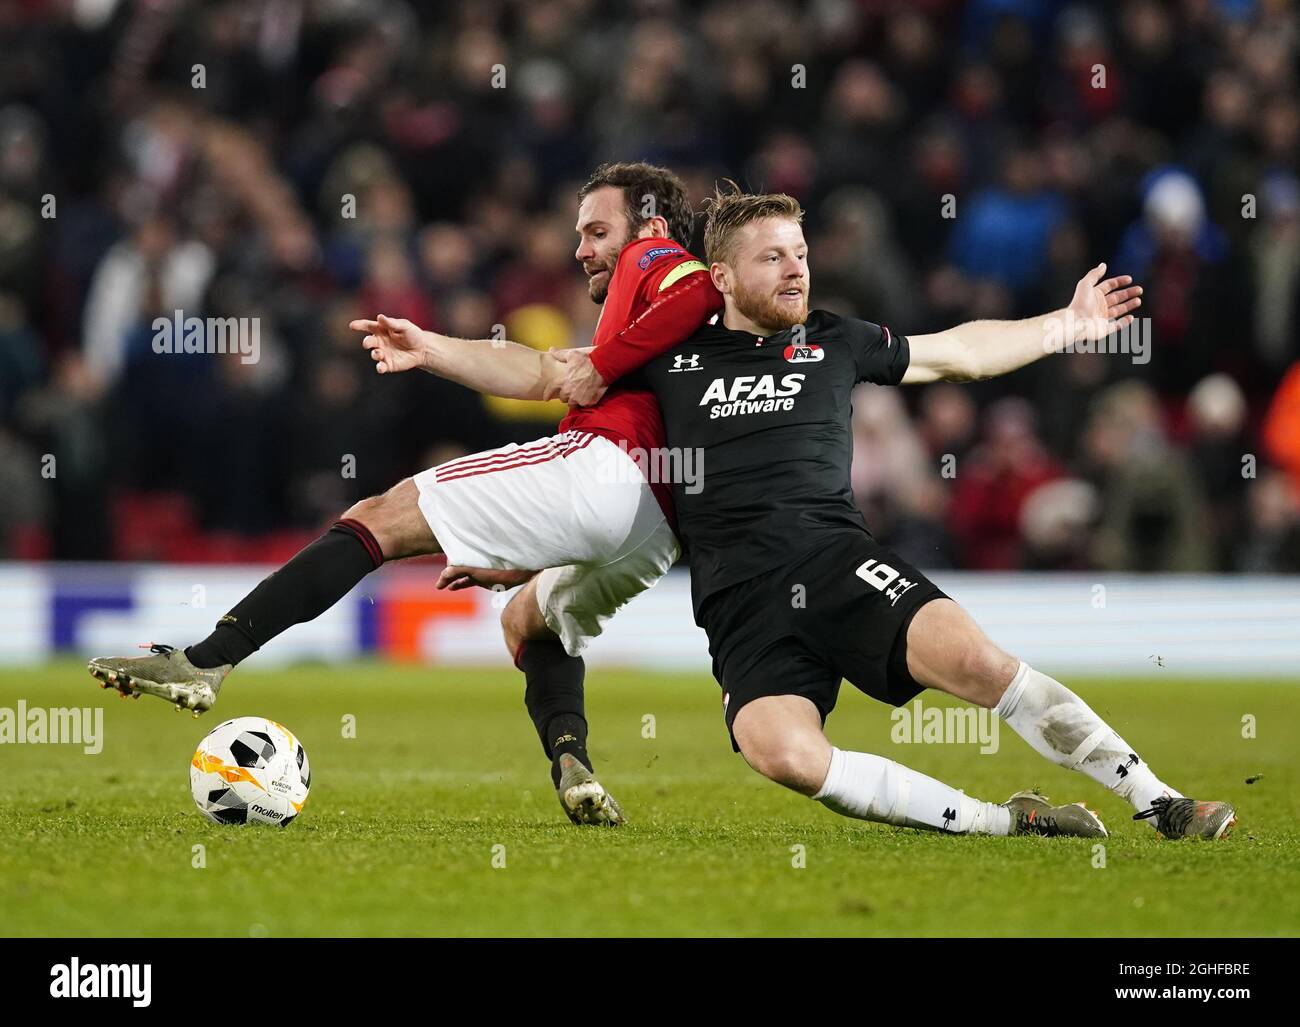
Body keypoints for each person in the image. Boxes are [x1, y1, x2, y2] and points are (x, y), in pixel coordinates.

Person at [546, 186, 1234, 839]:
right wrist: (434, 353)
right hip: (738, 602)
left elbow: (960, 352)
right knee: (782, 753)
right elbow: (544, 374)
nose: (796, 271)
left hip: (838, 563)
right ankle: (1009, 821)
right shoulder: (669, 355)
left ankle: (1160, 800)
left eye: (802, 255)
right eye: (774, 257)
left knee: (982, 664)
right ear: (720, 278)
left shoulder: (835, 340)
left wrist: (1069, 324)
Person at [86, 162, 722, 827]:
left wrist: (600, 365)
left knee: (377, 518)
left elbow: (698, 289)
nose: (581, 249)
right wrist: (432, 348)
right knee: (527, 620)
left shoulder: (657, 259)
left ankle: (204, 662)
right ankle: (574, 765)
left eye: (596, 231)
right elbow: (543, 372)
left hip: (606, 467)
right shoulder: (648, 332)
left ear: (649, 225)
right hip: (656, 526)